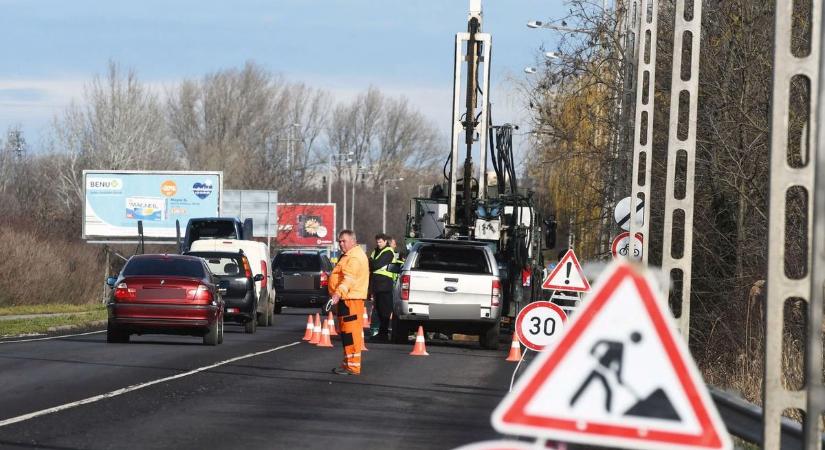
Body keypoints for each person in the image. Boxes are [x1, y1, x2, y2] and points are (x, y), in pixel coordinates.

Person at [328, 230, 370, 375]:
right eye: (339, 241)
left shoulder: (354, 257)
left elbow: (349, 279)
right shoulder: (349, 256)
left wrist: (338, 293)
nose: (340, 244)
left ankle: (352, 366)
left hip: (350, 300)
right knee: (346, 334)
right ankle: (347, 364)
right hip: (347, 299)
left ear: (353, 241)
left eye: (343, 241)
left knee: (351, 335)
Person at [368, 233, 396, 341]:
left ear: (385, 242)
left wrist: (372, 263)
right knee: (378, 310)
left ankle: (383, 334)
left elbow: (375, 265)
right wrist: (372, 263)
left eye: (380, 242)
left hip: (385, 285)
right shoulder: (375, 251)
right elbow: (370, 262)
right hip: (376, 285)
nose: (378, 244)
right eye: (377, 242)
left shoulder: (388, 252)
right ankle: (380, 333)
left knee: (384, 310)